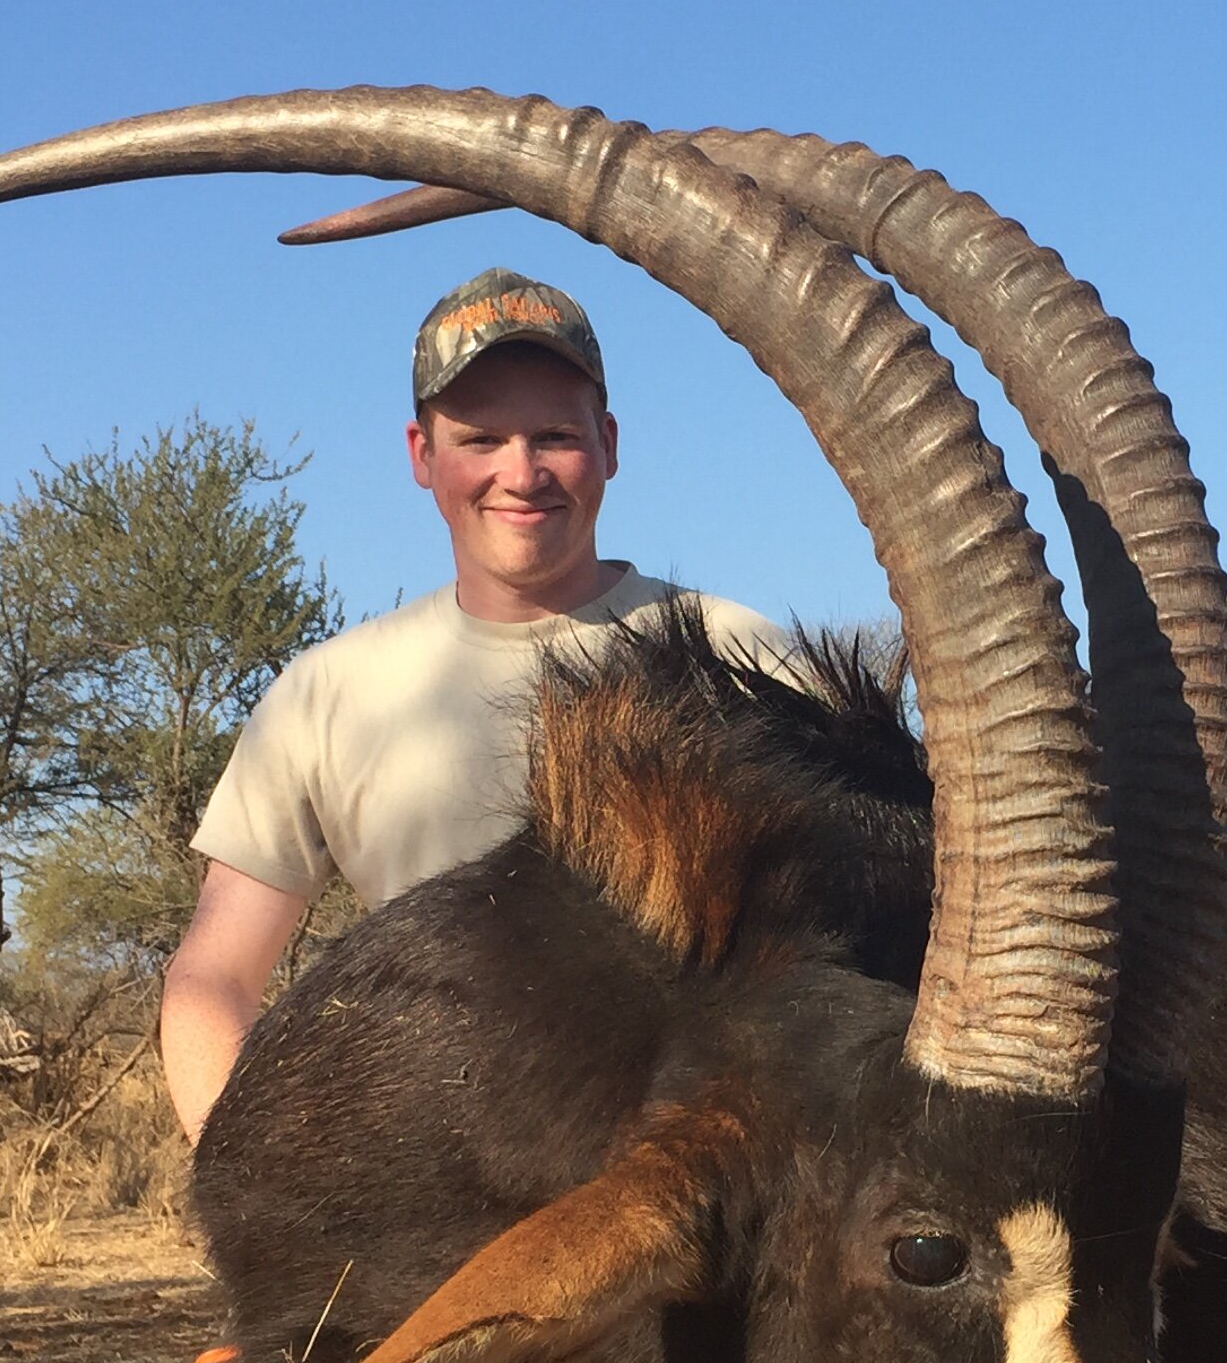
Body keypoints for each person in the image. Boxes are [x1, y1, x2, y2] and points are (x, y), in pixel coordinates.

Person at [161, 268, 788, 1142]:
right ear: (424, 457)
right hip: (437, 1191)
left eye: (555, 436)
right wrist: (250, 1183)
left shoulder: (742, 657)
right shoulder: (326, 693)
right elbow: (212, 981)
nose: (520, 473)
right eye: (482, 439)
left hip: (703, 1174)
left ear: (608, 444)